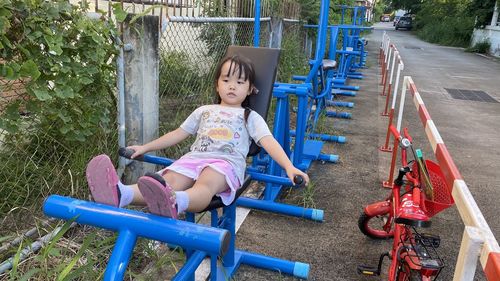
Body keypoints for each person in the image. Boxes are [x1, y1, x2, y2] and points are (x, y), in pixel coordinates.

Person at [86, 54, 309, 219]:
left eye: (240, 82)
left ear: (250, 89)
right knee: (170, 180)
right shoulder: (204, 111)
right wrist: (145, 147)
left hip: (225, 163)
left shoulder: (249, 116)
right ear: (217, 84)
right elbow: (178, 134)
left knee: (206, 183)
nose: (232, 86)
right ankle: (121, 194)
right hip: (194, 159)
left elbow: (268, 142)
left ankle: (177, 201)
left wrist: (289, 167)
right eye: (226, 80)